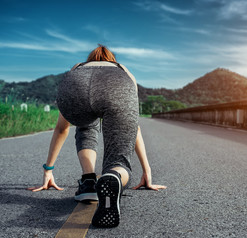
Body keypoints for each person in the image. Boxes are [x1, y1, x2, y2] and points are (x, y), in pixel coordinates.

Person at [28, 44, 166, 228]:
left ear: (90, 59)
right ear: (112, 60)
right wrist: (147, 172)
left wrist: (48, 170)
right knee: (118, 161)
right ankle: (114, 176)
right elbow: (134, 129)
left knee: (85, 124)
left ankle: (88, 181)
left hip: (76, 87)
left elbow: (62, 129)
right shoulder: (123, 71)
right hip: (117, 87)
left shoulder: (78, 68)